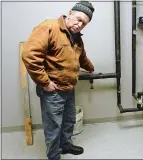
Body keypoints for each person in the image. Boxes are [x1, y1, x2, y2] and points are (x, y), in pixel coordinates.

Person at [22, 1, 95, 160]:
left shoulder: (76, 37)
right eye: (78, 19)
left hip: (68, 87)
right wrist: (45, 82)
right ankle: (54, 156)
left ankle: (66, 146)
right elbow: (29, 56)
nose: (79, 24)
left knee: (69, 120)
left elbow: (81, 57)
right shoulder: (49, 27)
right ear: (69, 13)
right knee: (53, 126)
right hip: (52, 90)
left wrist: (91, 67)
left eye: (84, 23)